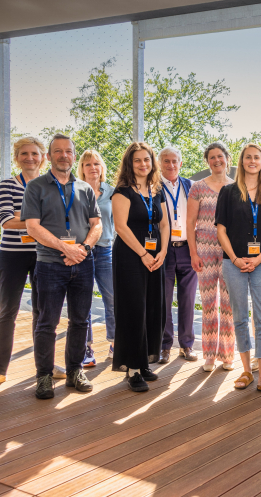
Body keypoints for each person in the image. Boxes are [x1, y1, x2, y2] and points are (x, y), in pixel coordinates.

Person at [22, 133, 102, 399]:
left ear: (73, 155)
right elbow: (32, 226)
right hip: (49, 265)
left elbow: (96, 224)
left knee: (80, 320)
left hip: (83, 263)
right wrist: (64, 247)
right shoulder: (37, 187)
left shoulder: (85, 189)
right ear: (49, 156)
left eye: (68, 151)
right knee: (47, 322)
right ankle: (44, 376)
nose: (64, 155)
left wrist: (84, 249)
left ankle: (74, 371)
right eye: (58, 151)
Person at [0, 137, 60, 391]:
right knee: (7, 312)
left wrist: (23, 216)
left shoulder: (52, 185)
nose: (30, 158)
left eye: (35, 153)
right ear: (17, 158)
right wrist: (38, 220)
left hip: (43, 255)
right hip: (12, 256)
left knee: (43, 313)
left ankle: (46, 366)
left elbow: (57, 219)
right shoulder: (7, 185)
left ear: (43, 157)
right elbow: (5, 220)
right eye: (24, 153)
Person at [216, 143, 261, 396]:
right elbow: (220, 229)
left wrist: (259, 258)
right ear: (241, 162)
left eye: (257, 157)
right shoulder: (228, 191)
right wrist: (234, 258)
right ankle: (246, 371)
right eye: (248, 157)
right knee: (240, 317)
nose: (252, 161)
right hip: (233, 263)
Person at [111, 142, 169, 392]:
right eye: (137, 160)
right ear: (129, 164)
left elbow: (165, 224)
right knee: (133, 310)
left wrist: (163, 251)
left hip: (155, 256)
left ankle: (144, 361)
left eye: (147, 160)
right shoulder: (122, 191)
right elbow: (121, 227)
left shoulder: (157, 190)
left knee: (153, 308)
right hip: (131, 256)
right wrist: (144, 253)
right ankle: (133, 369)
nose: (143, 164)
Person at [188, 143, 236, 372]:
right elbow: (190, 223)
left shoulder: (237, 186)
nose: (216, 160)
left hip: (229, 251)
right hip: (204, 249)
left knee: (229, 304)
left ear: (227, 158)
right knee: (209, 303)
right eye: (212, 157)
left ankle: (227, 354)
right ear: (207, 161)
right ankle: (209, 354)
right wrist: (193, 253)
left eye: (220, 156)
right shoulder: (198, 187)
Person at [159, 146, 198, 364]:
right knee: (163, 301)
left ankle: (186, 345)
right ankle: (165, 346)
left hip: (187, 248)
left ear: (181, 163)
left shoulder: (190, 186)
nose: (171, 165)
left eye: (175, 161)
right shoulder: (153, 187)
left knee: (188, 300)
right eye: (166, 161)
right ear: (160, 164)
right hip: (164, 250)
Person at [78, 150, 116, 367]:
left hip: (106, 251)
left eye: (96, 164)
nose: (93, 167)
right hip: (82, 252)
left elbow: (117, 223)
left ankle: (115, 343)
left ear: (102, 167)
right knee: (83, 301)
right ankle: (86, 348)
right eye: (87, 164)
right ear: (82, 168)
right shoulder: (75, 190)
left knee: (112, 299)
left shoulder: (111, 192)